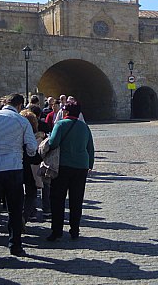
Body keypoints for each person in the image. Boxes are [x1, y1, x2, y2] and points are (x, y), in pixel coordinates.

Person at [0, 94, 37, 260]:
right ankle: (15, 245)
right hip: (13, 168)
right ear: (19, 106)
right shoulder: (22, 121)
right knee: (15, 210)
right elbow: (32, 148)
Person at [47, 99, 95, 242]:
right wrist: (90, 164)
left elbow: (53, 142)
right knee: (76, 199)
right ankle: (75, 230)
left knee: (57, 199)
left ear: (65, 112)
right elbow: (90, 148)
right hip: (81, 166)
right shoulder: (84, 127)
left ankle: (56, 231)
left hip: (63, 165)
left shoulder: (60, 124)